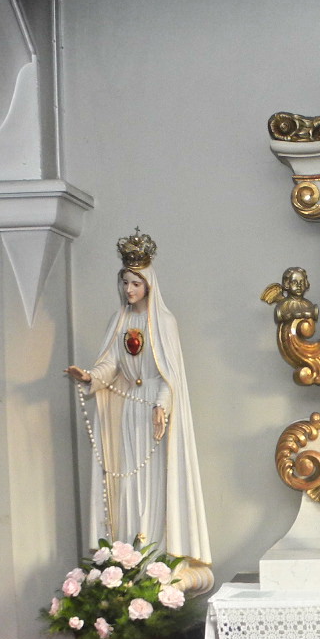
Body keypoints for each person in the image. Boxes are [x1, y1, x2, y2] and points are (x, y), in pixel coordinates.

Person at [65, 229, 211, 589]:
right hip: (127, 415)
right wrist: (90, 376)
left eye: (135, 283)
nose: (129, 289)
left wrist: (162, 405)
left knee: (155, 483)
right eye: (125, 282)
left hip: (154, 416)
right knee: (128, 484)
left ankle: (157, 553)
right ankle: (129, 553)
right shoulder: (119, 322)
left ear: (148, 285)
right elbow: (111, 365)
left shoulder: (164, 323)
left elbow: (168, 374)